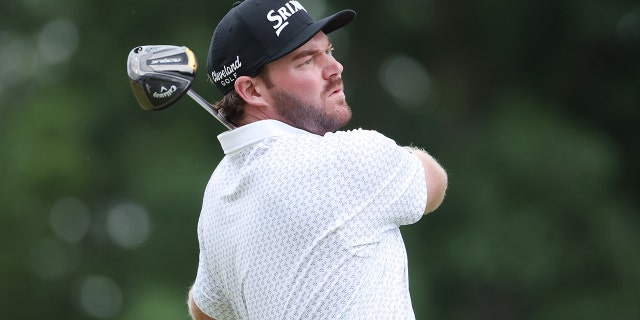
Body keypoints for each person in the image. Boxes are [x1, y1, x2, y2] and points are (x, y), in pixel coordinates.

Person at [187, 0, 448, 319]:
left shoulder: (218, 193)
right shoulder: (343, 160)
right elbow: (433, 182)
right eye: (307, 61)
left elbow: (204, 310)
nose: (335, 68)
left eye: (329, 50)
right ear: (252, 91)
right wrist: (398, 157)